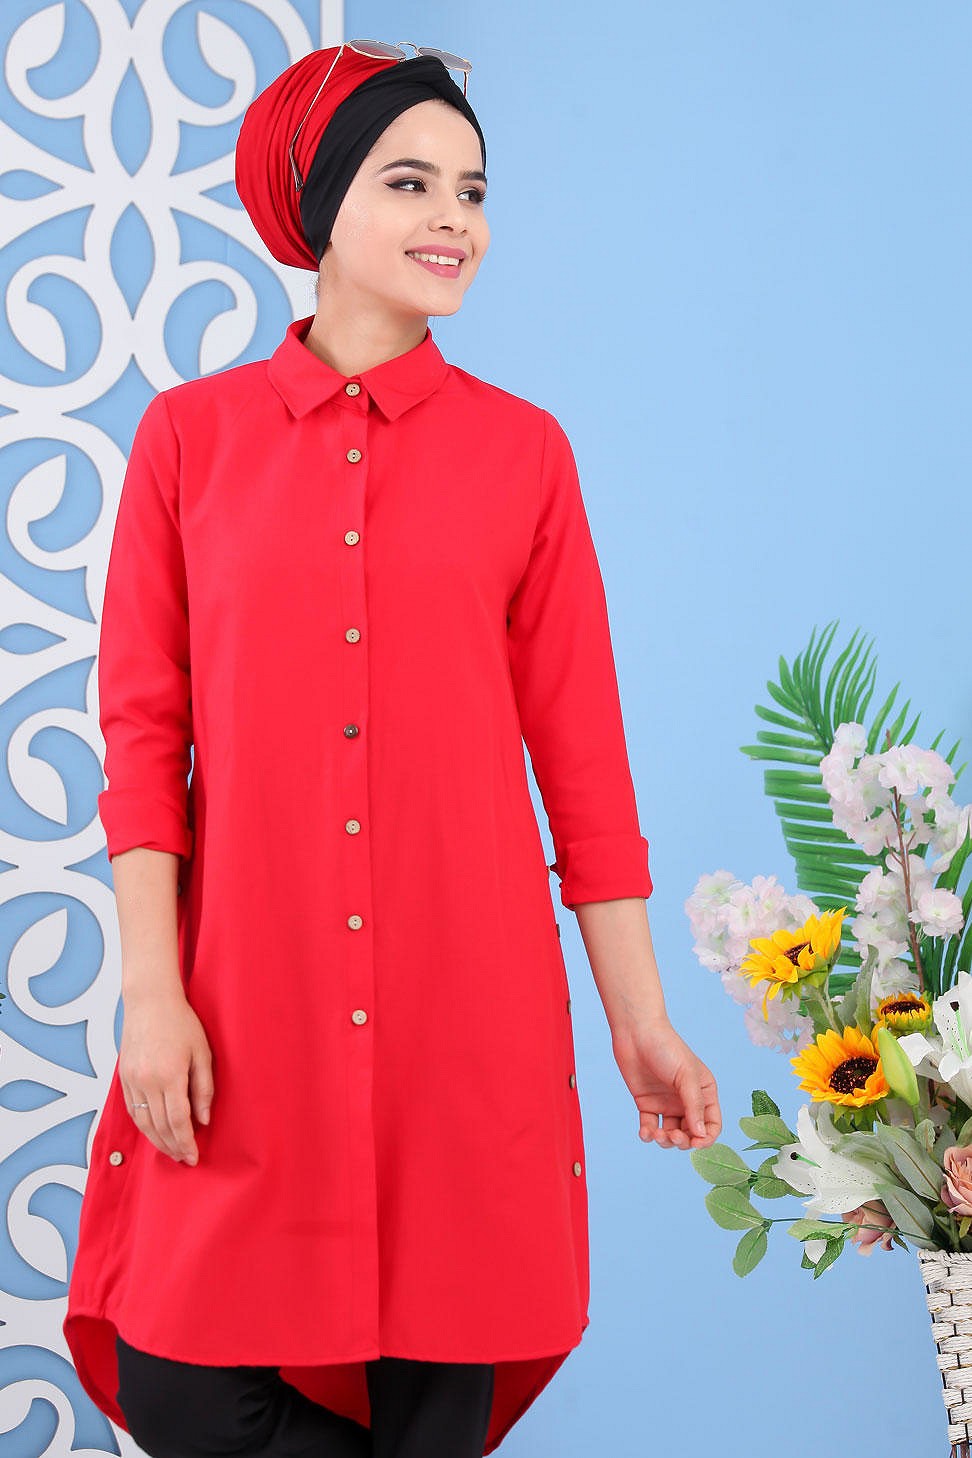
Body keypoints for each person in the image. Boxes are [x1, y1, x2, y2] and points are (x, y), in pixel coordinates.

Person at [63, 39, 723, 1457]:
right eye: (411, 182)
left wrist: (640, 1018)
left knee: (438, 1400)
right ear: (319, 209)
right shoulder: (187, 442)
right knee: (182, 1383)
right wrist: (152, 993)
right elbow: (143, 741)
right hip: (249, 995)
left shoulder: (525, 454)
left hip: (469, 1008)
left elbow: (585, 764)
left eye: (473, 190)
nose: (454, 220)